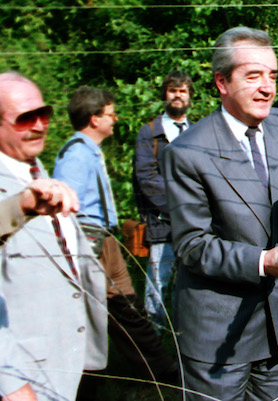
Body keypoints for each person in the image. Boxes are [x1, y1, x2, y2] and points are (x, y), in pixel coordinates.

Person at [162, 26, 278, 401]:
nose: (267, 88)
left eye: (272, 76)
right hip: (219, 334)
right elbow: (192, 245)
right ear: (222, 82)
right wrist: (260, 260)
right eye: (253, 76)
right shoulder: (188, 152)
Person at [54, 86, 178, 386]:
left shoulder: (88, 150)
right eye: (111, 114)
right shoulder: (75, 154)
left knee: (129, 310)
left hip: (105, 242)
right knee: (89, 317)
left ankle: (161, 372)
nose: (116, 119)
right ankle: (83, 380)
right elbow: (62, 209)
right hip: (88, 243)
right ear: (94, 118)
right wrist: (83, 250)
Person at [0, 72, 107, 401]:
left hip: (64, 367)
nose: (39, 125)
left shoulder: (37, 169)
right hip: (21, 379)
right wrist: (10, 383)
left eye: (43, 114)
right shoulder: (19, 190)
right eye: (24, 118)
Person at [134, 70, 193, 332]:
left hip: (196, 225)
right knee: (157, 287)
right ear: (165, 95)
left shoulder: (199, 130)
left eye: (182, 90)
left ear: (190, 96)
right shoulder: (150, 133)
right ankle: (154, 348)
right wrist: (178, 208)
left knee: (191, 287)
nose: (178, 95)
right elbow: (146, 178)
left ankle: (185, 341)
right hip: (163, 224)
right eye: (173, 90)